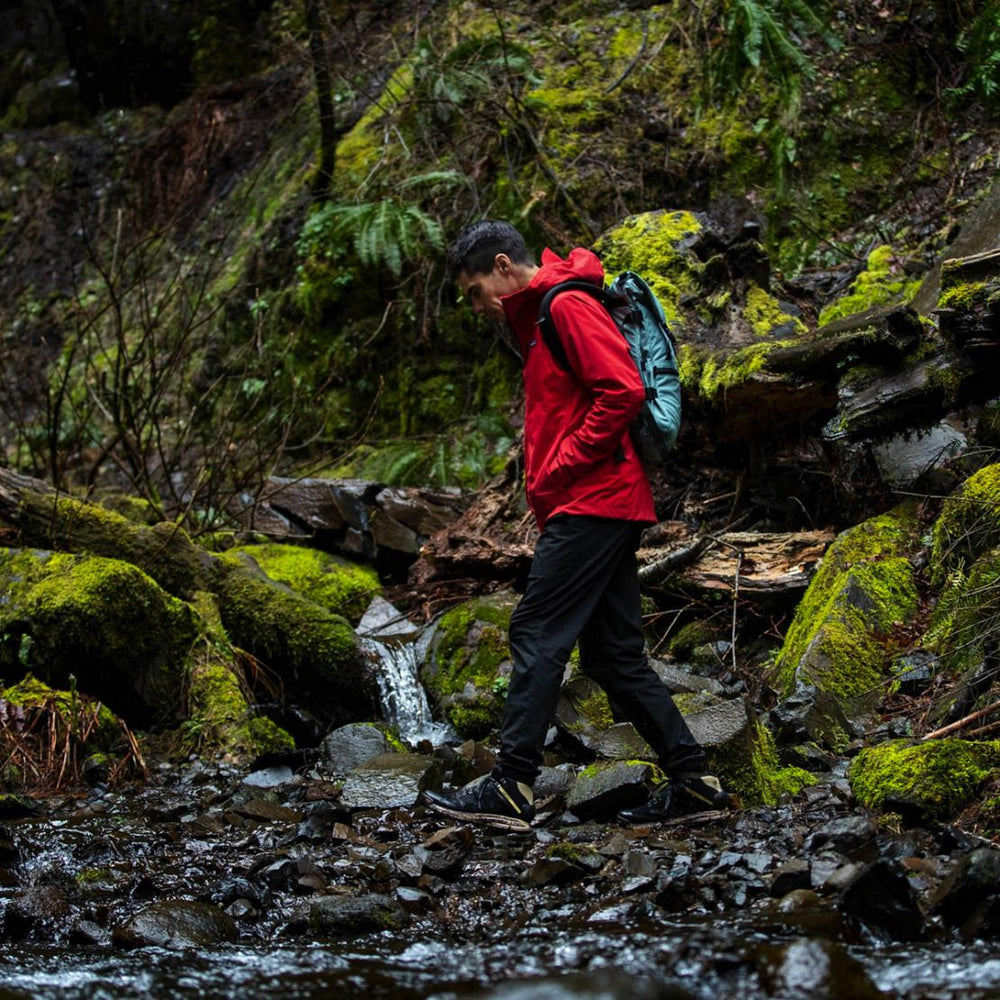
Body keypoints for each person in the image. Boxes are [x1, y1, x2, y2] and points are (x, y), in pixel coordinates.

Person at [423, 220, 728, 831]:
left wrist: (561, 466)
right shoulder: (539, 320)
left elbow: (621, 390)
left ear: (503, 266)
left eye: (474, 291)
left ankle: (511, 786)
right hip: (598, 502)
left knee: (536, 631)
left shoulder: (564, 306)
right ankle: (693, 781)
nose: (477, 305)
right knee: (614, 657)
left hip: (593, 500)